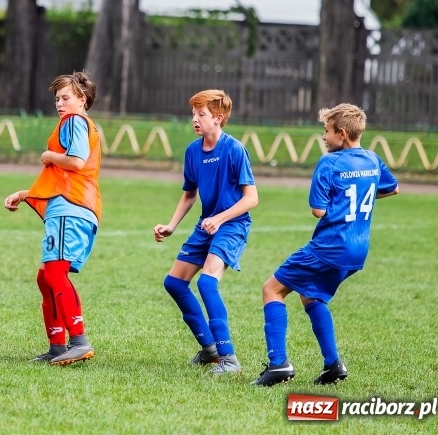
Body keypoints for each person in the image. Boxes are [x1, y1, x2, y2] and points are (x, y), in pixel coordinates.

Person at [252, 103, 398, 387]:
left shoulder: (329, 163)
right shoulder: (372, 159)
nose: (323, 136)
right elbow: (391, 188)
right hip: (357, 250)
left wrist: (339, 201)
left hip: (329, 247)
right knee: (312, 296)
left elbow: (318, 210)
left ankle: (278, 363)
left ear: (342, 133)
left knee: (272, 289)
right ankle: (333, 365)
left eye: (326, 131)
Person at [154, 89, 258, 375]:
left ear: (219, 118)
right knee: (174, 283)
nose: (195, 120)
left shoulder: (235, 149)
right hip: (206, 225)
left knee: (207, 283)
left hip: (232, 225)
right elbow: (189, 194)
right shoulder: (192, 151)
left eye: (201, 114)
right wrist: (171, 225)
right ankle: (209, 349)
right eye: (193, 115)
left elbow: (251, 198)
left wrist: (221, 218)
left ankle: (229, 359)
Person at [4, 71, 101, 366]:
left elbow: (75, 161)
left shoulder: (73, 122)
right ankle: (57, 346)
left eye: (65, 98)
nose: (59, 104)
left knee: (55, 273)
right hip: (71, 205)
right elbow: (61, 176)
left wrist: (48, 154)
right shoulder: (79, 123)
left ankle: (79, 341)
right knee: (46, 276)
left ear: (81, 100)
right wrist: (26, 193)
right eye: (57, 99)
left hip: (71, 207)